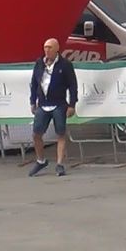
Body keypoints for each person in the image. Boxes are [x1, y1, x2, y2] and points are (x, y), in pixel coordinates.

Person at [28, 38, 78, 177]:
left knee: (60, 133)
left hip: (59, 104)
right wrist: (32, 101)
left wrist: (72, 105)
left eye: (50, 47)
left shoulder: (65, 64)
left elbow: (72, 85)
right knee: (36, 134)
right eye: (45, 47)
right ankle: (41, 160)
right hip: (43, 104)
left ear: (57, 49)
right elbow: (34, 83)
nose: (47, 50)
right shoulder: (39, 63)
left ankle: (60, 164)